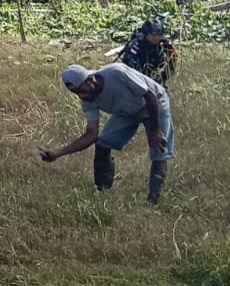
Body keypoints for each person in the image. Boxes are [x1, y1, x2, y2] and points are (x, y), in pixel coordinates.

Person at [38, 63, 175, 204]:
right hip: (127, 112)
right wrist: (57, 153)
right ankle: (102, 193)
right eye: (76, 93)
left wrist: (154, 131)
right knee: (102, 143)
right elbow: (91, 135)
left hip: (154, 104)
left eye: (82, 90)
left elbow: (150, 96)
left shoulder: (117, 73)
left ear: (91, 79)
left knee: (159, 148)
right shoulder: (87, 100)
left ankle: (153, 201)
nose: (81, 95)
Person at [120, 15, 177, 84]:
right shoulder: (137, 43)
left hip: (156, 73)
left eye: (159, 35)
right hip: (137, 76)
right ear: (146, 34)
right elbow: (129, 61)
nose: (156, 38)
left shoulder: (163, 42)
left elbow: (174, 56)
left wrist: (162, 76)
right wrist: (144, 79)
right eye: (153, 35)